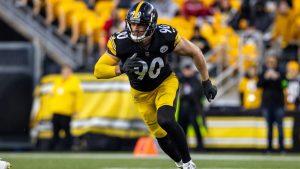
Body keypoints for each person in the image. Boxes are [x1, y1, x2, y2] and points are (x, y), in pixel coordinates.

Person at [94, 1, 217, 169]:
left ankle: (189, 163)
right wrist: (120, 68)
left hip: (164, 83)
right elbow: (98, 70)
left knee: (165, 120)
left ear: (151, 25)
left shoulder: (165, 36)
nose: (135, 28)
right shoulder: (121, 41)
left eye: (141, 25)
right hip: (140, 93)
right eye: (133, 24)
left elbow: (195, 51)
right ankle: (180, 164)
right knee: (159, 134)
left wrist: (206, 81)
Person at [49, 65, 83, 150]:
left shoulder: (74, 81)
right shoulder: (57, 81)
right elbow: (53, 94)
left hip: (67, 112)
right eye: (64, 71)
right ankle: (54, 148)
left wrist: (77, 109)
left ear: (71, 72)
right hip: (56, 111)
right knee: (55, 131)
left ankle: (68, 147)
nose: (65, 73)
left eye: (67, 71)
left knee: (67, 131)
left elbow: (79, 97)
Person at [257, 55, 285, 153]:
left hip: (279, 104)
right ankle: (269, 148)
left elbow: (285, 84)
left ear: (276, 62)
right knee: (269, 128)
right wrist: (265, 77)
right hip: (267, 104)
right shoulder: (263, 72)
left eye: (272, 62)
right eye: (269, 62)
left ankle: (281, 148)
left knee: (280, 127)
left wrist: (278, 78)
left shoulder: (281, 72)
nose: (271, 64)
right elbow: (258, 85)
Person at [177, 59, 206, 152]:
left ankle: (200, 147)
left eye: (189, 69)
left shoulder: (196, 80)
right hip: (182, 108)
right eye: (186, 69)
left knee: (197, 128)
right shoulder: (180, 80)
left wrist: (188, 95)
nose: (187, 71)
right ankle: (183, 148)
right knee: (182, 129)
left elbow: (199, 93)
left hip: (193, 108)